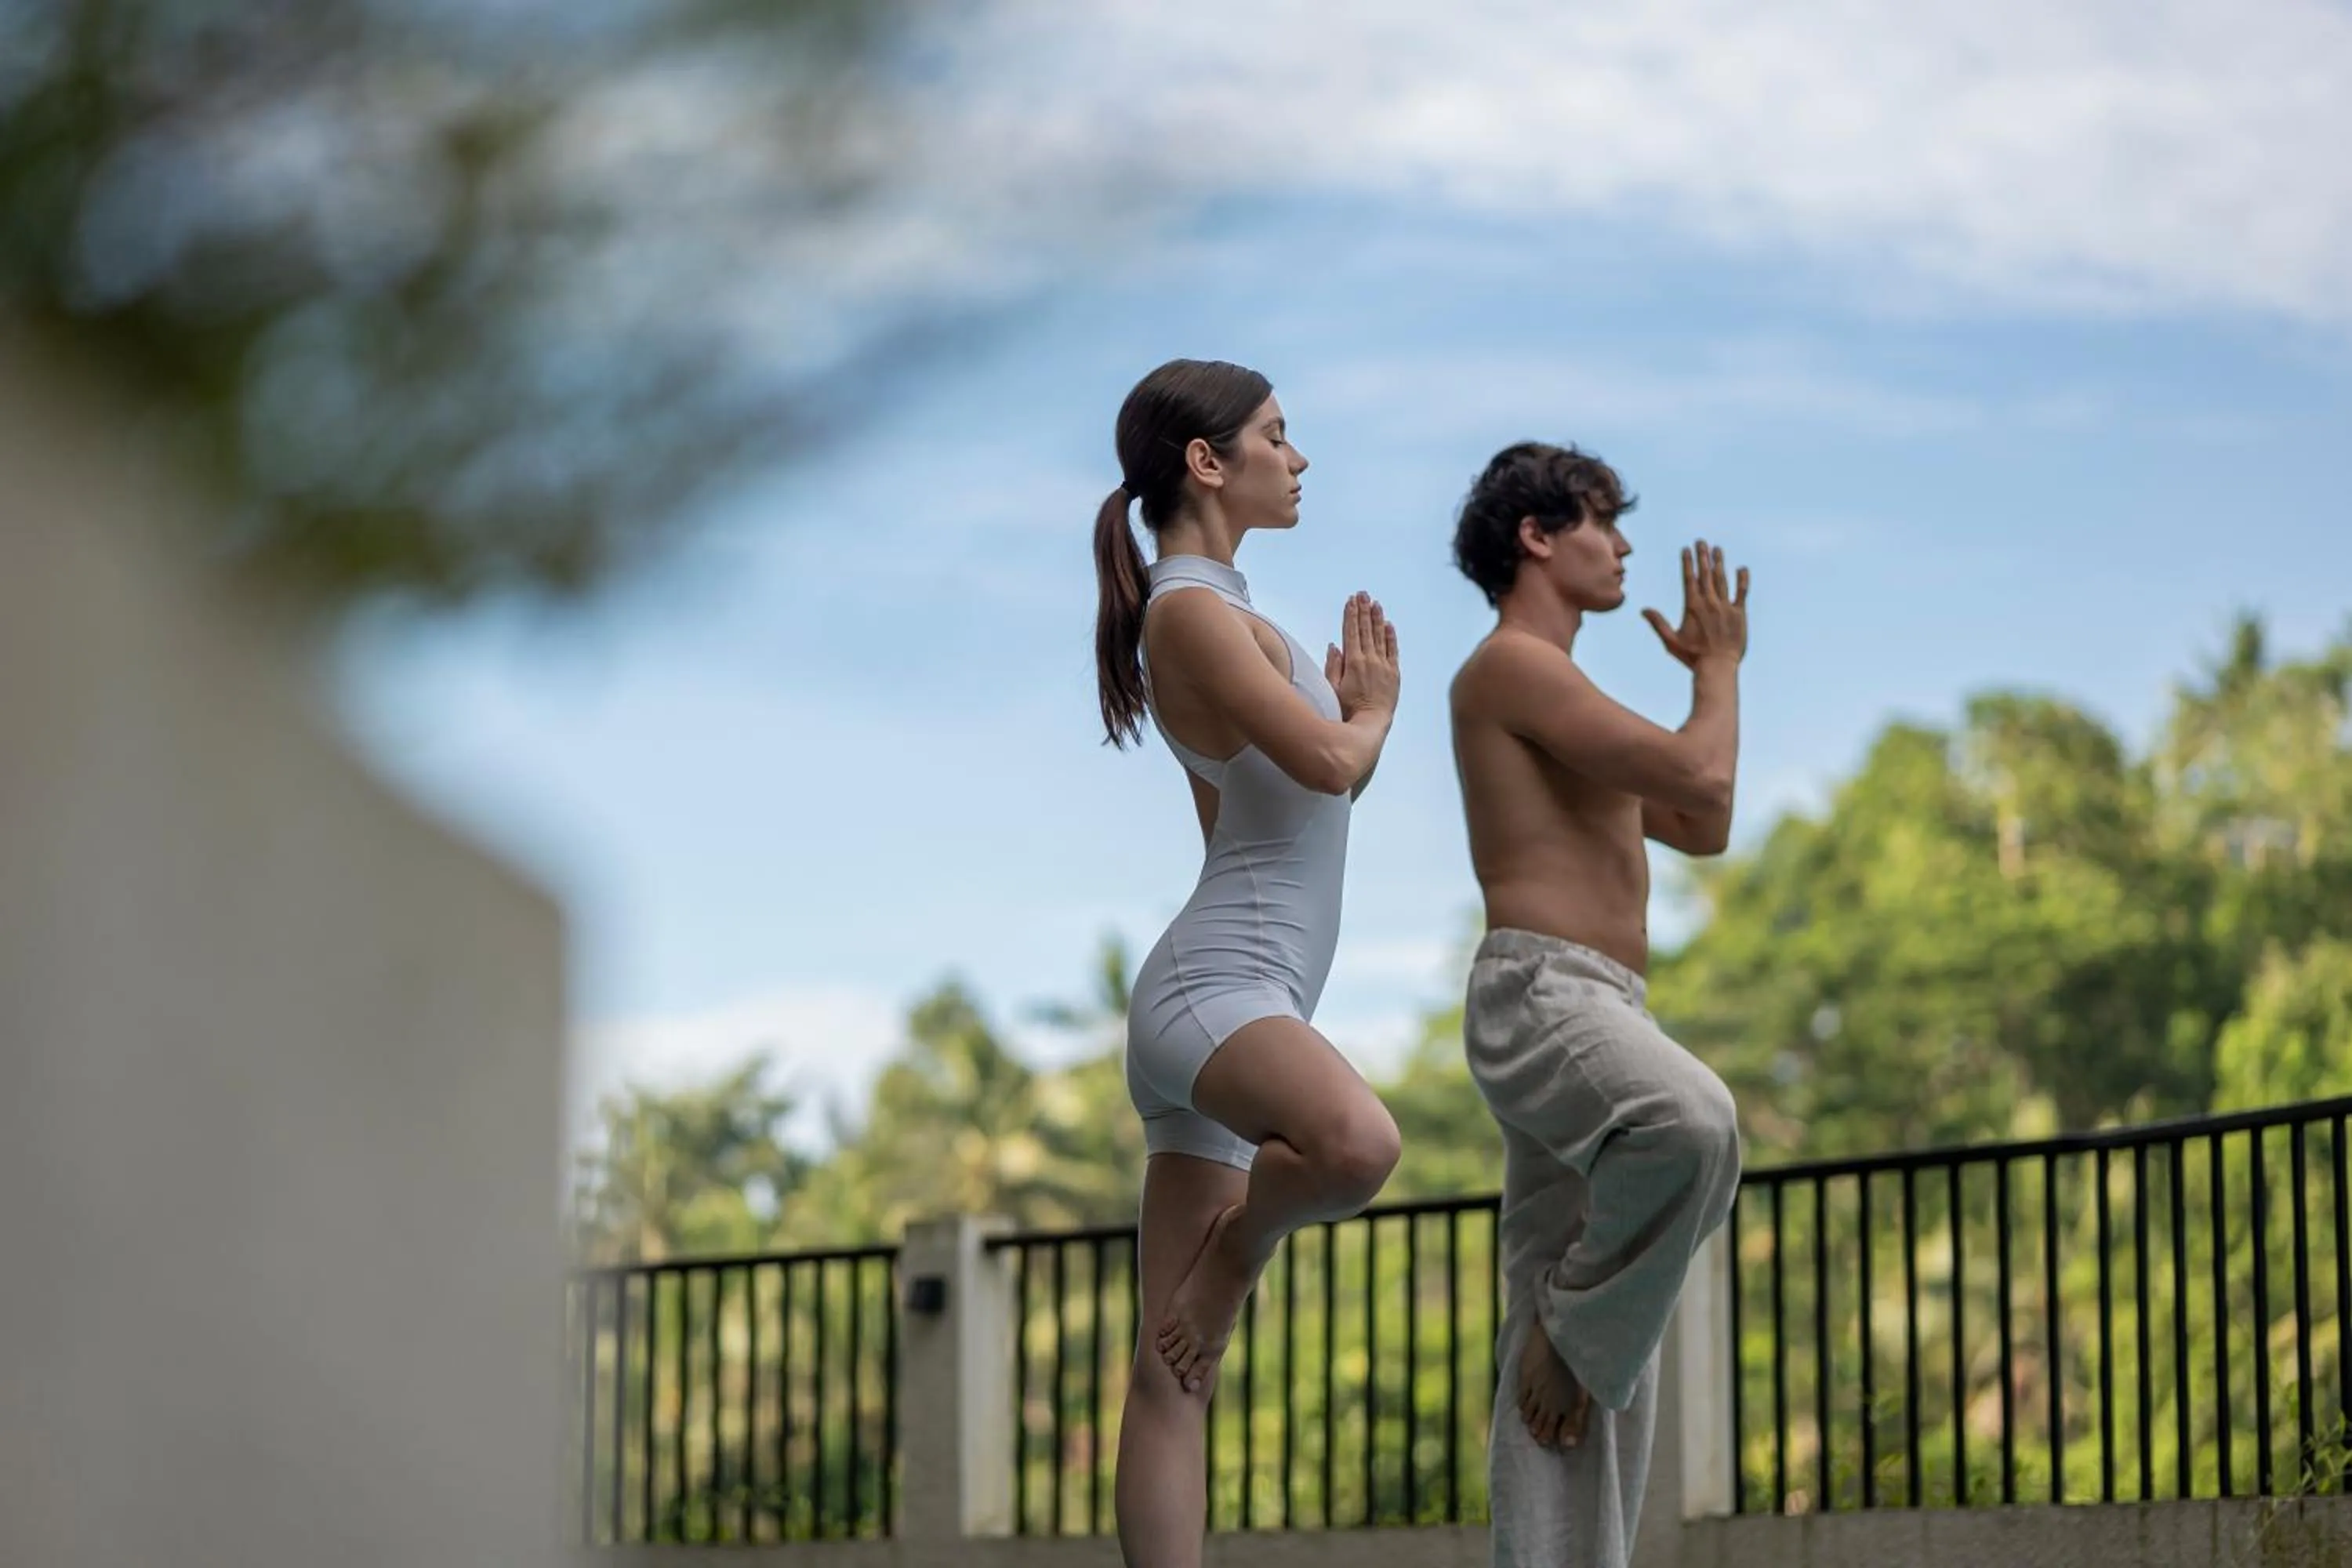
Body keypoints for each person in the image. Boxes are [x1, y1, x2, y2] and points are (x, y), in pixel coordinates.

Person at [1092, 358, 1403, 1566]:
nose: (1300, 456)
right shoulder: (1189, 613)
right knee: (1356, 1144)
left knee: (1169, 1380)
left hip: (1229, 996)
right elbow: (1332, 766)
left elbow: (1239, 823)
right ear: (1208, 462)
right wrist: (1373, 709)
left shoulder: (1216, 617)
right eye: (1279, 434)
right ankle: (1235, 1260)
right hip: (1214, 993)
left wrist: (1349, 722)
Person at [1444, 442, 1749, 1567]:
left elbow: (1702, 827)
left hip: (1604, 1006)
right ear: (1536, 534)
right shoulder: (1513, 667)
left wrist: (1708, 690)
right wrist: (1716, 671)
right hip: (1545, 993)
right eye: (1601, 521)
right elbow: (1704, 781)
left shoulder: (1571, 697)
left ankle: (1563, 1348)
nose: (1622, 545)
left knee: (1571, 1359)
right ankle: (1572, 1334)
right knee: (1693, 1125)